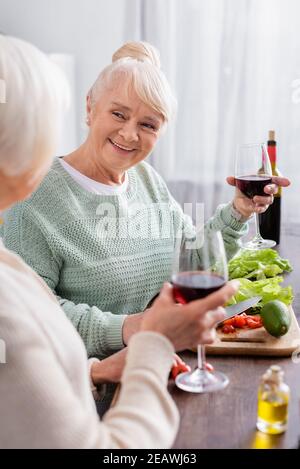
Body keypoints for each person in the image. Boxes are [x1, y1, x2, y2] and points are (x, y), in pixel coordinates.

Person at [0, 41, 290, 392]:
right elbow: (31, 318)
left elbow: (194, 263)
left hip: (162, 370)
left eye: (148, 124)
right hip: (92, 394)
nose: (129, 134)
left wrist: (238, 213)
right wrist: (132, 327)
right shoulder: (36, 196)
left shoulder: (147, 180)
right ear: (90, 108)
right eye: (119, 114)